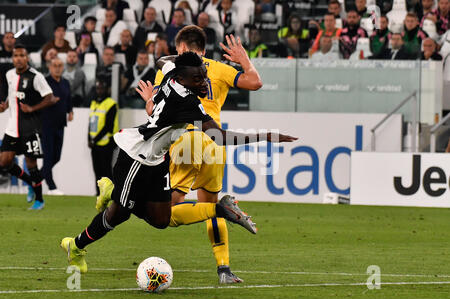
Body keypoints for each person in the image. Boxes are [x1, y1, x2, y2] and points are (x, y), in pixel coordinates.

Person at [60, 51, 297, 274]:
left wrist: (185, 60)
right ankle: (77, 246)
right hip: (136, 157)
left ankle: (116, 193)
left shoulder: (173, 72)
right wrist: (265, 136)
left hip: (158, 159)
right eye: (197, 79)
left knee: (162, 220)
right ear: (182, 80)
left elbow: (162, 59)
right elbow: (218, 137)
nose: (204, 82)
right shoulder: (186, 102)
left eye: (204, 76)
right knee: (118, 215)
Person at [95, 26, 264, 284]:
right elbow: (255, 82)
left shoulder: (172, 71)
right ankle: (224, 270)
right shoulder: (218, 68)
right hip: (215, 146)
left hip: (188, 140)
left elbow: (158, 112)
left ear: (181, 49)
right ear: (204, 49)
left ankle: (115, 193)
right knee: (209, 205)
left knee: (168, 211)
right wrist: (244, 60)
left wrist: (149, 102)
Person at [0, 44, 58, 210]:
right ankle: (30, 183)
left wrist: (32, 108)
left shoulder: (36, 76)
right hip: (12, 128)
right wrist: (3, 106)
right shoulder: (9, 74)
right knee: (4, 162)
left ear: (27, 58)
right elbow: (9, 97)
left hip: (30, 128)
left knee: (31, 164)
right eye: (16, 55)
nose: (18, 58)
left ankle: (39, 200)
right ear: (12, 58)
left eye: (22, 55)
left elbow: (50, 97)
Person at [42, 57, 73, 195]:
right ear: (50, 67)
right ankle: (51, 186)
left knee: (56, 157)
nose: (58, 68)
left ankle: (35, 178)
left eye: (60, 65)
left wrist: (70, 110)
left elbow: (68, 98)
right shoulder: (45, 82)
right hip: (46, 124)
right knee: (48, 157)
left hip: (61, 124)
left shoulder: (65, 83)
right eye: (55, 65)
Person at [88, 77, 119, 195]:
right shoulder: (94, 103)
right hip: (95, 144)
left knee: (106, 170)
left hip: (106, 143)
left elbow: (108, 126)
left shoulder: (111, 104)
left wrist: (94, 140)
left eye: (102, 88)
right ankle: (98, 194)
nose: (99, 90)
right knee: (97, 171)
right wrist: (89, 139)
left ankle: (110, 194)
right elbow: (90, 123)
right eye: (97, 88)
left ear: (107, 89)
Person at [0, 32, 15, 102]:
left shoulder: (18, 54)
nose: (9, 39)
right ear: (3, 40)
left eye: (12, 37)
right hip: (1, 85)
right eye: (7, 37)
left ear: (15, 40)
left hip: (16, 84)